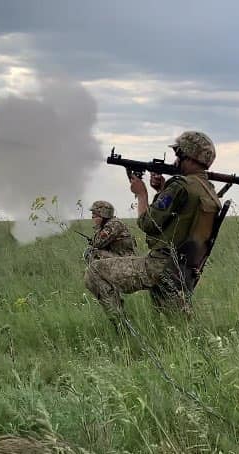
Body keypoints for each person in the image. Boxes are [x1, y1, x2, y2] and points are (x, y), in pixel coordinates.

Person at [83, 131, 222, 331]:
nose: (176, 160)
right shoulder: (206, 188)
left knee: (95, 271)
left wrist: (142, 194)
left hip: (161, 265)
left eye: (179, 155)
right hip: (186, 268)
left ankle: (124, 331)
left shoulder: (180, 186)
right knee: (177, 330)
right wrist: (162, 189)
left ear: (188, 156)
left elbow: (148, 224)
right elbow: (181, 219)